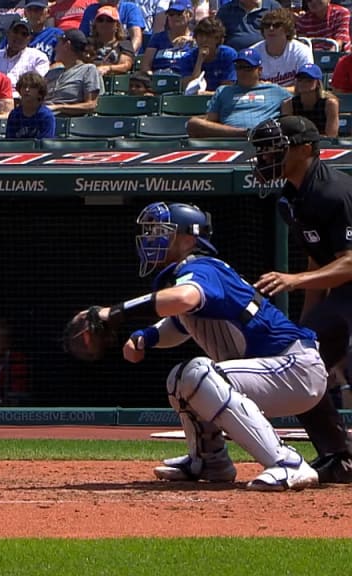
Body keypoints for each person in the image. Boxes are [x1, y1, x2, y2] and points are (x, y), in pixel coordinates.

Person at [95, 201, 323, 490]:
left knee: (199, 374)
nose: (152, 239)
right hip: (276, 369)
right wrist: (146, 337)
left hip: (294, 366)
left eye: (162, 231)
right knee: (179, 380)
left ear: (189, 238)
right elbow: (180, 323)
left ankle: (288, 463)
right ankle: (208, 460)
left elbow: (184, 299)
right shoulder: (188, 272)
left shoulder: (202, 266)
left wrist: (116, 311)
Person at [249, 115, 352, 483]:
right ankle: (338, 456)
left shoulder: (334, 191)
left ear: (305, 149)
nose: (265, 156)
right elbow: (319, 260)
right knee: (299, 363)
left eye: (275, 148)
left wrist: (294, 280)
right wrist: (304, 329)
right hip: (341, 293)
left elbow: (350, 261)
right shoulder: (290, 198)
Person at [186, 49, 289, 137]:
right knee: (193, 123)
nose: (242, 72)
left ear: (259, 70)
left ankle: (252, 134)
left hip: (264, 139)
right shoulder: (223, 91)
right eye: (239, 67)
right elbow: (210, 120)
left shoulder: (275, 90)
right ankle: (245, 133)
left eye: (248, 68)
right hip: (230, 137)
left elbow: (300, 91)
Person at [44, 28, 103, 116]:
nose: (55, 48)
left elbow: (91, 105)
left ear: (67, 45)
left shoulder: (88, 70)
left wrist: (59, 107)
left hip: (67, 121)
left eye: (58, 44)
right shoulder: (52, 72)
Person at [250, 8, 313, 88]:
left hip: (292, 98)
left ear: (287, 30)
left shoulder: (301, 51)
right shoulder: (253, 52)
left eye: (276, 25)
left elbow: (306, 87)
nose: (271, 29)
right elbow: (247, 86)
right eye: (267, 25)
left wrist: (275, 90)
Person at [174, 17, 237, 95]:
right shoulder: (188, 57)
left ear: (217, 39)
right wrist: (200, 60)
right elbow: (188, 88)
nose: (204, 40)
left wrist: (206, 94)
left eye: (208, 36)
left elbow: (227, 90)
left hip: (220, 101)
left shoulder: (229, 55)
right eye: (200, 36)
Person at [280, 64, 339, 137]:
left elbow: (331, 135)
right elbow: (287, 132)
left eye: (309, 80)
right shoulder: (288, 104)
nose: (303, 83)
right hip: (298, 144)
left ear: (318, 83)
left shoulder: (330, 104)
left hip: (323, 144)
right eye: (300, 80)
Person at [140, 0, 196, 75]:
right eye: (171, 14)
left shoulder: (196, 39)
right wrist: (152, 77)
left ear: (190, 15)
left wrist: (192, 40)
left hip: (184, 81)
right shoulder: (157, 38)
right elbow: (145, 66)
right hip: (159, 80)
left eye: (179, 14)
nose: (174, 17)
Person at [0, 13, 51, 86]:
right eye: (15, 31)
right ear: (8, 33)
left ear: (29, 39)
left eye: (24, 34)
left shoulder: (38, 58)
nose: (18, 36)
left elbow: (37, 86)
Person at [5, 70, 56, 138]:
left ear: (40, 93)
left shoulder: (46, 116)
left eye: (32, 87)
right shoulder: (15, 114)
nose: (27, 90)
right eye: (24, 87)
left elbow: (46, 144)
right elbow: (9, 142)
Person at [79, 0, 145, 52]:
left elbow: (136, 37)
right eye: (100, 20)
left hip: (124, 56)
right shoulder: (91, 10)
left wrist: (128, 54)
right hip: (96, 55)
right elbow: (82, 38)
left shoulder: (130, 9)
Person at [89, 5, 135, 77]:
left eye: (109, 20)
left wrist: (108, 68)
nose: (104, 23)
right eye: (100, 20)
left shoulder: (124, 44)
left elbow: (126, 65)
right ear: (95, 25)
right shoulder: (88, 43)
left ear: (117, 25)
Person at [218, 0, 282, 51]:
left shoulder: (273, 7)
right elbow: (216, 36)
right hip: (236, 61)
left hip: (266, 59)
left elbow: (285, 32)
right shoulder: (226, 10)